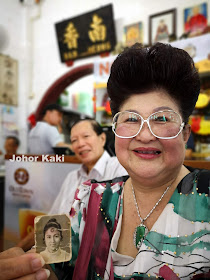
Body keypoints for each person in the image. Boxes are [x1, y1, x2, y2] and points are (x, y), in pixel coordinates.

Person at [1, 43, 210, 280]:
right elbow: (50, 264)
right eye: (131, 119)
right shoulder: (89, 196)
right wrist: (29, 267)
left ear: (185, 133)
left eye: (161, 118)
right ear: (115, 130)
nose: (144, 135)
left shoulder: (206, 200)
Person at [17, 118, 127, 251]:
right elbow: (51, 219)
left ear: (102, 138)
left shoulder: (119, 168)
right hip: (55, 251)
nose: (80, 144)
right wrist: (19, 248)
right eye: (74, 140)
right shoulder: (72, 177)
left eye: (86, 136)